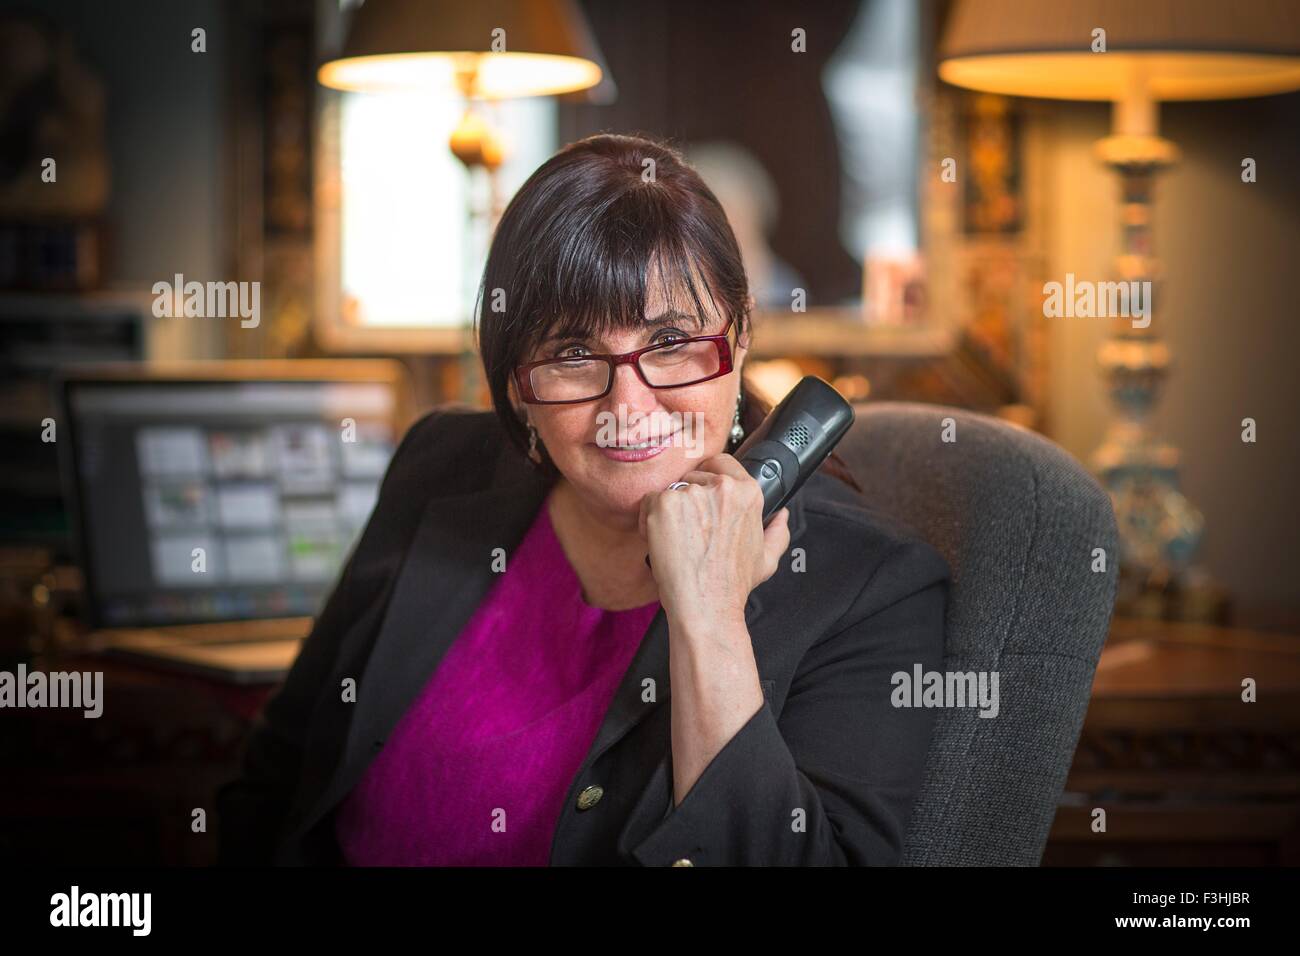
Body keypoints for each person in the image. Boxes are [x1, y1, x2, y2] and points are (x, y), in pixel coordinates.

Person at [216, 132, 948, 866]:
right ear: (514, 382)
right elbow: (282, 767)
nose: (627, 405)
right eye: (571, 354)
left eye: (670, 341)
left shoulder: (870, 590)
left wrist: (710, 620)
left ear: (741, 339)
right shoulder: (442, 465)